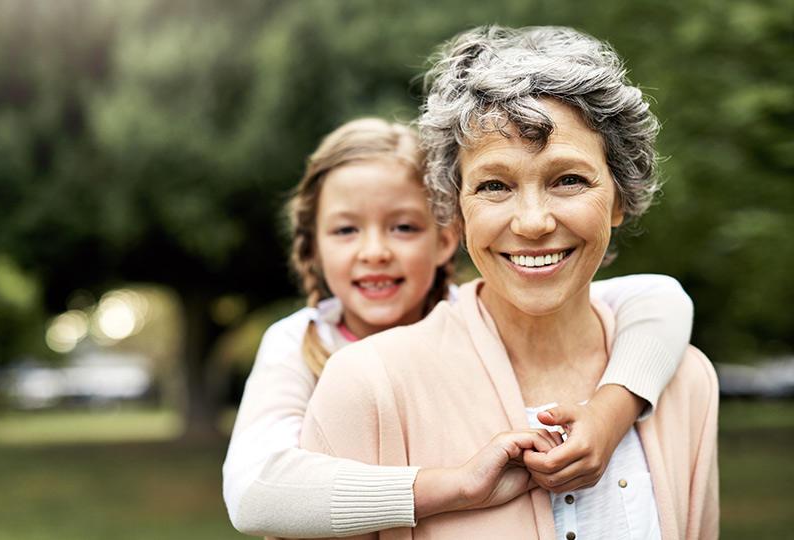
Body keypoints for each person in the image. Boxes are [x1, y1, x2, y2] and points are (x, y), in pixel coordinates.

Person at [299, 26, 718, 540]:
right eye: (494, 185)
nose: (533, 222)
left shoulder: (686, 381)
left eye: (568, 179)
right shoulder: (367, 385)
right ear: (457, 211)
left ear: (619, 199)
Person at [224, 116, 696, 538]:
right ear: (312, 247)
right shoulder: (300, 341)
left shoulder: (483, 314)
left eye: (403, 228)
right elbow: (254, 490)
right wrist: (454, 486)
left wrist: (612, 412)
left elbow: (660, 298)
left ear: (449, 235)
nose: (374, 252)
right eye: (346, 230)